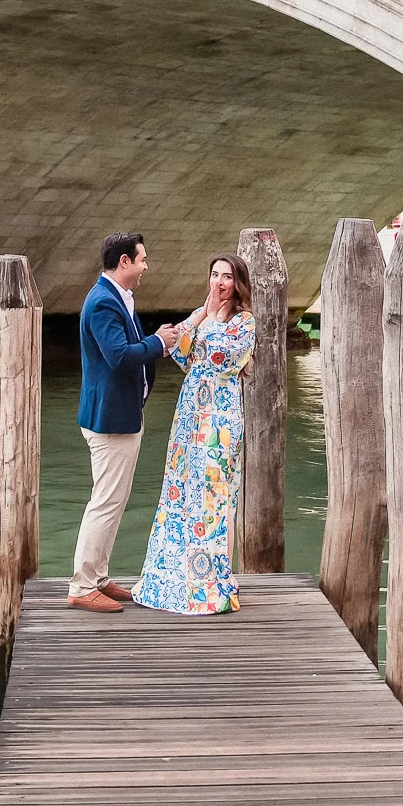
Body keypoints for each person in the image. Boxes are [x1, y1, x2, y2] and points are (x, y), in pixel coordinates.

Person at [132, 254, 256, 616]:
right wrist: (202, 315)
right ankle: (177, 577)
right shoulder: (203, 314)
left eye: (227, 277)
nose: (219, 282)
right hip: (190, 415)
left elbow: (221, 359)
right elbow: (178, 350)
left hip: (220, 418)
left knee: (216, 495)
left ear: (237, 283)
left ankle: (216, 580)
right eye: (215, 275)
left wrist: (209, 320)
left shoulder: (244, 322)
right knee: (181, 490)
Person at [68, 231, 179, 614]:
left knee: (114, 502)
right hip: (109, 421)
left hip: (122, 415)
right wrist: (159, 342)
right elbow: (118, 356)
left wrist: (155, 342)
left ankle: (98, 577)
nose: (146, 266)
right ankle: (82, 585)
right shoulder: (103, 301)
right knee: (105, 502)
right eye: (142, 259)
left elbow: (126, 350)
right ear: (125, 261)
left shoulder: (117, 296)